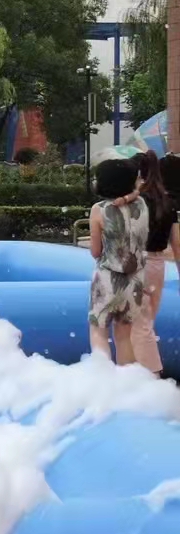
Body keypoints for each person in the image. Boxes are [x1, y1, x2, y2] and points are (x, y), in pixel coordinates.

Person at [88, 158, 149, 365]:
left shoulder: (99, 210)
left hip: (107, 279)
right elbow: (136, 195)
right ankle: (127, 386)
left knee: (99, 332)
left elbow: (96, 251)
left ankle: (103, 383)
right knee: (124, 336)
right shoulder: (141, 204)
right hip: (136, 281)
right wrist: (133, 192)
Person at [134, 151, 179, 374]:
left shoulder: (134, 201)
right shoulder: (168, 202)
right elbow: (177, 244)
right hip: (156, 265)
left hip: (134, 264)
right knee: (147, 320)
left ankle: (151, 374)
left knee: (137, 324)